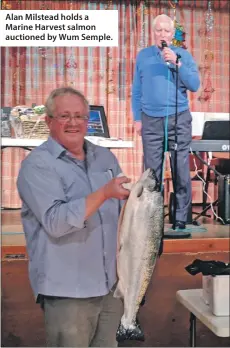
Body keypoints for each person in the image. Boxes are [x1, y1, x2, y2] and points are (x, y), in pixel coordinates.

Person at [17, 87, 131, 347]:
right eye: (64, 116)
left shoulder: (105, 157)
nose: (73, 123)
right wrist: (104, 193)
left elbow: (120, 213)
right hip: (68, 293)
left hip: (111, 287)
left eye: (79, 116)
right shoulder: (37, 165)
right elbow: (56, 222)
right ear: (49, 121)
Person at [132, 14, 200, 230]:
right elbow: (137, 90)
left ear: (173, 34)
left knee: (180, 169)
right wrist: (137, 118)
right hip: (150, 120)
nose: (162, 34)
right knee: (152, 174)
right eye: (159, 30)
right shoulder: (143, 56)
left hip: (178, 119)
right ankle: (152, 219)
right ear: (154, 32)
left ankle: (180, 219)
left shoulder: (182, 56)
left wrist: (177, 63)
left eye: (166, 31)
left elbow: (195, 85)